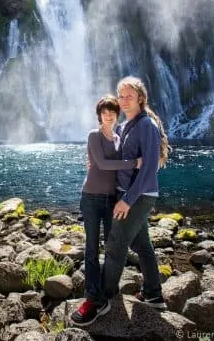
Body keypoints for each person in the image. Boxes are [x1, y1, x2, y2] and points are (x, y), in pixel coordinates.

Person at [71, 76, 171, 326]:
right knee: (142, 244)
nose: (124, 100)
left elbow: (148, 169)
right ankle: (153, 293)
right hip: (129, 195)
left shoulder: (146, 125)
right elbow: (113, 160)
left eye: (129, 95)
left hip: (136, 197)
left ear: (140, 97)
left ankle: (100, 300)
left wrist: (126, 200)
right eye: (121, 95)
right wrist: (95, 162)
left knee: (115, 246)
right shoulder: (126, 126)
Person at [73, 95, 141, 327]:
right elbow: (102, 164)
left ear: (116, 114)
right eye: (105, 111)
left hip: (112, 199)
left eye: (112, 111)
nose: (109, 114)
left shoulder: (119, 138)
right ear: (99, 115)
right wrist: (134, 163)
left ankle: (107, 290)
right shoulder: (94, 135)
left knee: (112, 248)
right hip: (91, 198)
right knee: (91, 249)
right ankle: (92, 297)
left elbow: (117, 167)